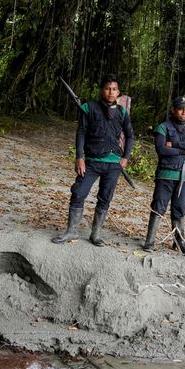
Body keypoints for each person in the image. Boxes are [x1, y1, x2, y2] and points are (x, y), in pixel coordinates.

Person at [52, 73, 134, 246]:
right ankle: (71, 231)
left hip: (113, 165)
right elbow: (81, 132)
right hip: (91, 161)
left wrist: (125, 158)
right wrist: (79, 157)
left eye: (114, 89)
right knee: (79, 193)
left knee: (105, 197)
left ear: (118, 92)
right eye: (107, 89)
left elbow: (130, 136)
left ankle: (95, 234)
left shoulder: (122, 112)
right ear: (101, 90)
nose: (111, 92)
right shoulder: (89, 108)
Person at [143, 96, 185, 254]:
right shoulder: (163, 127)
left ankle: (179, 241)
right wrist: (183, 150)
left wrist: (174, 145)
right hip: (166, 175)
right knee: (158, 207)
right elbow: (161, 149)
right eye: (181, 109)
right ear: (173, 110)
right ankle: (150, 241)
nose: (184, 112)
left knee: (179, 209)